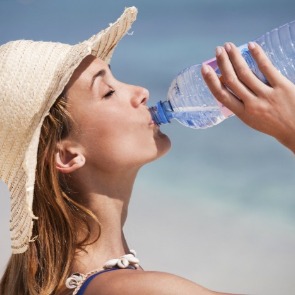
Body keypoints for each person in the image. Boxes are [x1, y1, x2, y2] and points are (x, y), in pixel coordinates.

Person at [0, 6, 294, 295]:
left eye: (116, 77)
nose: (140, 92)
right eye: (108, 92)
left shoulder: (65, 280)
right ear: (66, 155)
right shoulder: (136, 289)